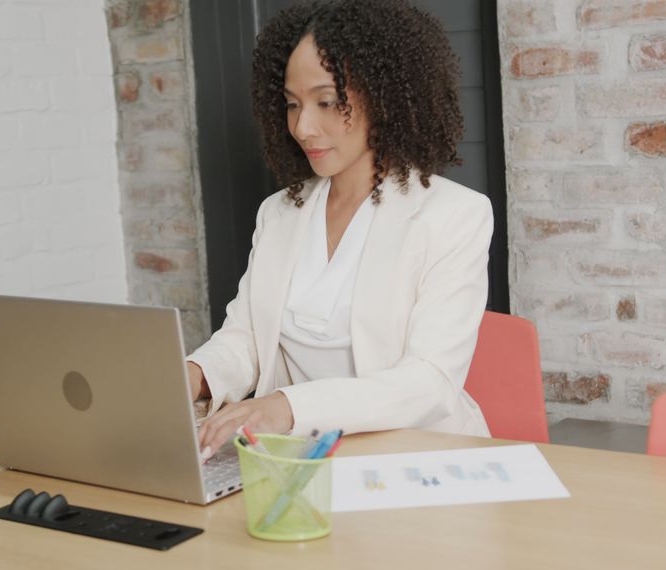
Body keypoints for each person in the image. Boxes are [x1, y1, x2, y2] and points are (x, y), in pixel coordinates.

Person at [188, 0, 493, 457]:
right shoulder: (280, 213)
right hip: (298, 463)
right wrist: (192, 376)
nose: (303, 127)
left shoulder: (454, 215)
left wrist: (286, 407)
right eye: (292, 104)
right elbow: (246, 339)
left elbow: (429, 382)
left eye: (327, 101)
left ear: (384, 93)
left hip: (418, 458)